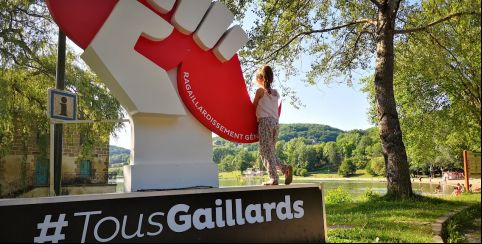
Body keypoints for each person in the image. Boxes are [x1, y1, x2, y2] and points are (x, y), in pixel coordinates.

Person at [253, 65, 293, 186]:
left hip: (265, 122)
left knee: (265, 152)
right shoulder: (276, 93)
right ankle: (284, 169)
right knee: (270, 152)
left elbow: (252, 107)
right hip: (275, 123)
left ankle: (274, 178)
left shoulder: (260, 91)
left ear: (260, 78)